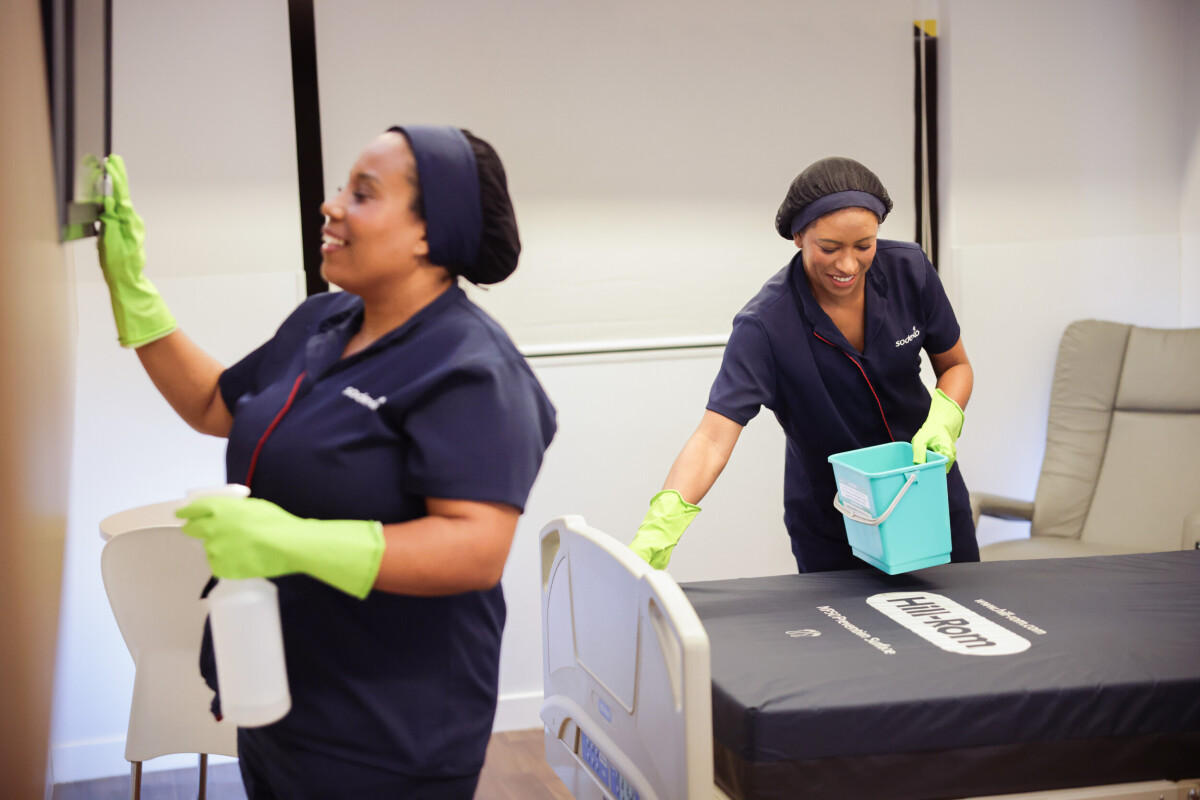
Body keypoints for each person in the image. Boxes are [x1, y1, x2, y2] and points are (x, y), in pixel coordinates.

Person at [97, 126, 557, 799]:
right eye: (343, 187)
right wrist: (133, 291)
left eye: (362, 194)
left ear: (429, 232)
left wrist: (292, 542)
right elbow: (213, 403)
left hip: (388, 735)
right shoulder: (322, 321)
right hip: (275, 700)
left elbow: (475, 549)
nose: (331, 205)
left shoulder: (473, 367)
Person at [628, 156, 977, 574]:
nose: (848, 265)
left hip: (928, 495)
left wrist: (944, 420)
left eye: (864, 246)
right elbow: (713, 439)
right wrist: (662, 524)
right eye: (829, 248)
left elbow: (955, 366)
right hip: (836, 520)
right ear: (798, 236)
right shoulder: (765, 325)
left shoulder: (909, 270)